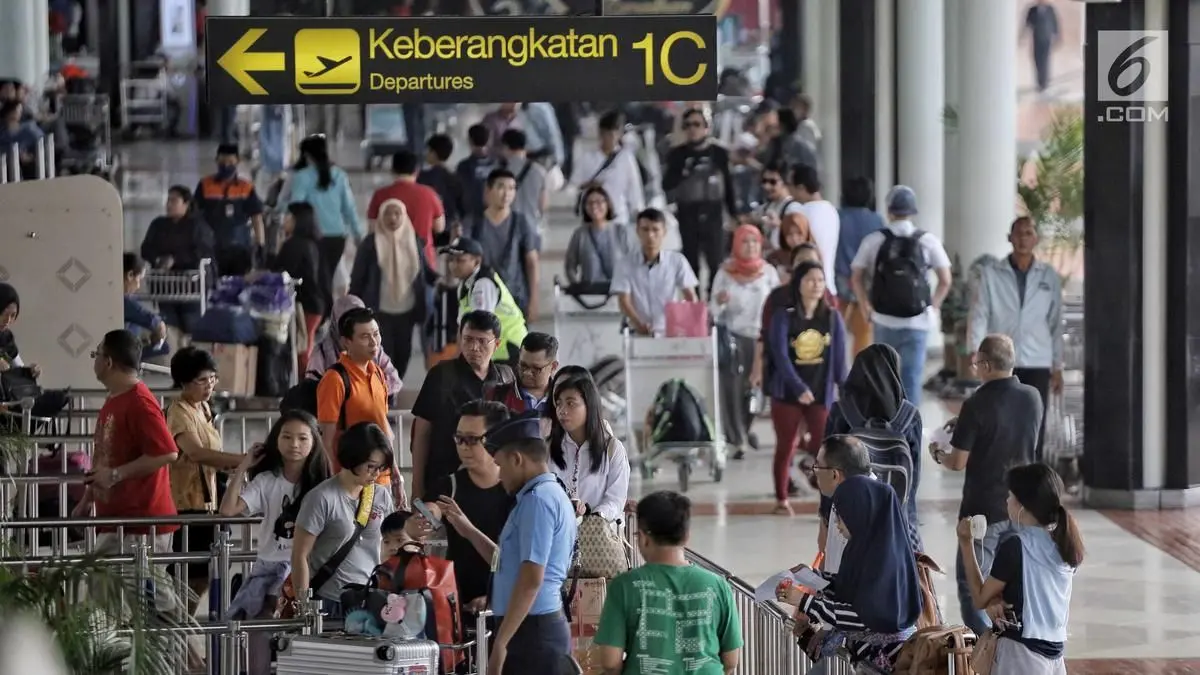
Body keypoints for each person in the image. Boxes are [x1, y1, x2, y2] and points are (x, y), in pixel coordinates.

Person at [932, 334, 1043, 636]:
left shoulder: (976, 403)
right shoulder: (1033, 397)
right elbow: (1009, 432)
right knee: (1015, 584)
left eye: (977, 362)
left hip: (982, 511)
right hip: (1022, 508)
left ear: (985, 364)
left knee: (975, 590)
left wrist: (938, 453)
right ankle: (1011, 644)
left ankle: (987, 650)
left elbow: (957, 462)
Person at [221, 410, 333, 675]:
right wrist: (243, 466)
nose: (294, 444)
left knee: (300, 634)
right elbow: (228, 509)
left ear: (314, 442)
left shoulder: (323, 485)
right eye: (287, 437)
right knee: (257, 631)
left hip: (306, 569)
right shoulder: (266, 481)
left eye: (302, 438)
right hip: (268, 567)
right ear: (277, 440)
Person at [784, 475, 923, 672]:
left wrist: (805, 601)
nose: (838, 526)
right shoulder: (864, 548)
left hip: (886, 659)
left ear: (860, 514)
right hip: (867, 655)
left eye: (842, 517)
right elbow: (849, 587)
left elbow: (860, 616)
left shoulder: (882, 560)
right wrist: (814, 578)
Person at [595, 491, 743, 674]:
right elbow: (731, 661)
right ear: (687, 535)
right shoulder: (718, 586)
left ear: (643, 537)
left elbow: (610, 661)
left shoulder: (624, 586)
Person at [958, 463, 1082, 674]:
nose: (1007, 501)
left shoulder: (1017, 546)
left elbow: (980, 598)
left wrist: (966, 543)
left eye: (1010, 496)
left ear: (1022, 505)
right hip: (1056, 655)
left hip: (1021, 654)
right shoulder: (1065, 542)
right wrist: (998, 600)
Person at [482, 414, 577, 675]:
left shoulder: (538, 501)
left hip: (532, 633)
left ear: (516, 459)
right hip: (531, 627)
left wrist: (501, 642)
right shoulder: (545, 495)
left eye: (500, 466)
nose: (499, 476)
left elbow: (532, 578)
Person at [968, 216, 1065, 462]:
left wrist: (1058, 365)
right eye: (1018, 233)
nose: (1023, 238)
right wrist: (976, 352)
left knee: (1035, 419)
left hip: (1038, 360)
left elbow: (1055, 322)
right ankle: (1001, 471)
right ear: (1009, 238)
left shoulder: (1048, 276)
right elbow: (979, 314)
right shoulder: (991, 274)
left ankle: (1032, 471)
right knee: (1001, 418)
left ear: (1036, 239)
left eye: (1028, 233)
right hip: (1001, 360)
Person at [75, 330, 179, 552]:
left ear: (108, 362)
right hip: (118, 520)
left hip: (141, 525)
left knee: (138, 587)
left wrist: (116, 475)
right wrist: (88, 498)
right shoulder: (114, 397)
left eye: (97, 354)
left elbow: (167, 452)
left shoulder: (140, 403)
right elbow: (105, 454)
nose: (95, 360)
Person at [850, 185, 953, 405]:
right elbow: (945, 280)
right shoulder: (928, 240)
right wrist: (933, 307)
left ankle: (885, 428)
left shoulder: (874, 240)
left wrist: (864, 306)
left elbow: (856, 276)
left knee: (884, 377)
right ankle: (910, 432)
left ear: (889, 210)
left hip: (883, 319)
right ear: (913, 211)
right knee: (912, 379)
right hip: (918, 321)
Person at [764, 261, 847, 515]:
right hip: (788, 393)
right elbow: (779, 355)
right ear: (798, 284)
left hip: (820, 392)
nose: (816, 285)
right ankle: (781, 498)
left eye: (820, 281)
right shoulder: (784, 316)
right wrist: (798, 386)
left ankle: (830, 500)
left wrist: (846, 392)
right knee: (786, 444)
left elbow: (840, 360)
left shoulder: (832, 318)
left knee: (826, 446)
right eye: (810, 280)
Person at [291, 422, 396, 619]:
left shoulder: (380, 496)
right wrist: (304, 607)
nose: (376, 474)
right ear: (351, 459)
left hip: (369, 597)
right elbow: (300, 556)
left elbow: (386, 545)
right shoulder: (321, 498)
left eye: (381, 468)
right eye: (371, 467)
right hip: (328, 600)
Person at [165, 347, 246, 595]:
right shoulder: (178, 413)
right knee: (188, 578)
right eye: (202, 380)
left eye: (213, 378)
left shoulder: (204, 408)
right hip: (187, 504)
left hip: (208, 502)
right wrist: (242, 460)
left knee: (204, 576)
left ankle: (182, 626)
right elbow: (197, 453)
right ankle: (176, 628)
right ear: (183, 382)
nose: (209, 385)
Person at [410, 310, 515, 500]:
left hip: (492, 485)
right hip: (444, 480)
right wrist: (417, 486)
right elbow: (421, 434)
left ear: (497, 344)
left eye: (482, 341)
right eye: (468, 339)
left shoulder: (506, 377)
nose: (474, 347)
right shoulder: (441, 375)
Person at [426, 400, 515, 617]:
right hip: (455, 606)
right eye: (459, 438)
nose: (464, 446)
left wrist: (495, 597)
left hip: (505, 606)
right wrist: (422, 518)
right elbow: (430, 510)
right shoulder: (449, 486)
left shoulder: (517, 493)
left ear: (497, 439)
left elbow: (517, 567)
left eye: (473, 440)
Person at [825, 343, 923, 534]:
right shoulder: (909, 416)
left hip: (846, 520)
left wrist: (825, 518)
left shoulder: (842, 411)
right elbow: (914, 478)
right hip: (896, 519)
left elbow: (827, 471)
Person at [314, 307, 404, 505]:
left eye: (376, 334)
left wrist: (395, 474)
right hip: (351, 483)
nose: (374, 342)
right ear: (346, 342)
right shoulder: (335, 379)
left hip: (381, 479)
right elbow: (326, 441)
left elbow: (384, 430)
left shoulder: (378, 373)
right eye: (365, 336)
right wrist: (333, 487)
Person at [711, 225, 780, 456]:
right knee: (732, 390)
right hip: (734, 338)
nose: (750, 246)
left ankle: (746, 428)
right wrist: (720, 302)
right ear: (736, 244)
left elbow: (778, 306)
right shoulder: (724, 273)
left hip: (762, 339)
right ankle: (737, 438)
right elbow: (712, 312)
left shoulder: (769, 273)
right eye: (745, 241)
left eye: (754, 242)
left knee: (755, 390)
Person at [350, 197, 435, 379]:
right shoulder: (370, 244)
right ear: (381, 216)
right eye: (388, 213)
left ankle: (395, 383)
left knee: (404, 352)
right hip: (379, 309)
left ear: (404, 216)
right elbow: (358, 277)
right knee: (382, 352)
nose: (393, 218)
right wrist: (353, 304)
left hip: (407, 309)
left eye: (397, 213)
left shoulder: (415, 242)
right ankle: (385, 389)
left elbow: (426, 272)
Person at [661, 108, 739, 295]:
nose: (692, 129)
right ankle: (693, 306)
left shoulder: (719, 153)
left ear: (706, 128)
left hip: (713, 211)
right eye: (688, 125)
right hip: (688, 212)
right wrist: (684, 171)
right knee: (690, 262)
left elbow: (728, 184)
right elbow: (667, 184)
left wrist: (734, 214)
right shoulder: (677, 154)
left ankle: (714, 303)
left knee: (715, 261)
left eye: (697, 125)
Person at [546, 367, 630, 522]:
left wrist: (595, 515)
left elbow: (616, 499)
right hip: (559, 536)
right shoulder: (548, 448)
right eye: (559, 403)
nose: (562, 411)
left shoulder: (612, 449)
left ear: (589, 405)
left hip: (597, 539)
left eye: (571, 403)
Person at [279, 134, 363, 283]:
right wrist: (358, 234)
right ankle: (327, 305)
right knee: (326, 281)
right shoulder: (340, 175)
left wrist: (280, 207)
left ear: (306, 155)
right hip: (337, 236)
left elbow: (296, 205)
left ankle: (322, 306)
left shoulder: (302, 176)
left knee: (314, 282)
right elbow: (349, 208)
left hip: (313, 236)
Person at [139, 185, 216, 337]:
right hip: (165, 287)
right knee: (169, 328)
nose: (168, 204)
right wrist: (158, 259)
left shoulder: (198, 226)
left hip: (191, 287)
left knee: (190, 325)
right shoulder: (159, 225)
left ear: (186, 204)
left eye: (173, 201)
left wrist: (175, 259)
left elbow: (203, 252)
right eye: (168, 200)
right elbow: (146, 248)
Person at [466, 168, 542, 319]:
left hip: (515, 296)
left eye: (511, 188)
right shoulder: (475, 223)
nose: (507, 193)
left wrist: (534, 299)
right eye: (501, 187)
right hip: (482, 297)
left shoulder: (521, 222)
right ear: (488, 190)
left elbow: (532, 262)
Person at [611, 208, 700, 336]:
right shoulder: (625, 264)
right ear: (637, 231)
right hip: (637, 332)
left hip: (671, 332)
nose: (650, 236)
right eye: (645, 230)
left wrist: (690, 325)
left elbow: (691, 296)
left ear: (664, 232)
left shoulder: (677, 261)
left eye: (655, 230)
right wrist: (639, 324)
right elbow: (624, 301)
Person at [268, 202, 331, 374]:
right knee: (304, 344)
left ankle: (307, 384)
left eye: (288, 218)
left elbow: (279, 272)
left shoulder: (294, 245)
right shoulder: (315, 243)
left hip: (305, 305)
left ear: (298, 221)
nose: (284, 221)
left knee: (302, 348)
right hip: (316, 304)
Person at [445, 237, 528, 364]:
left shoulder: (483, 284)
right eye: (451, 260)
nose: (454, 265)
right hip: (494, 350)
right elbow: (462, 325)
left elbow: (481, 327)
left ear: (476, 261)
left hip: (509, 348)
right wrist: (458, 357)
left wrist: (463, 360)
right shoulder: (465, 285)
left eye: (460, 260)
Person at [306, 295, 404, 397]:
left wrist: (370, 392)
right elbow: (311, 390)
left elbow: (393, 380)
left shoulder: (374, 349)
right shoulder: (321, 353)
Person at [192, 144, 266, 276]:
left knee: (239, 285)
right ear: (216, 161)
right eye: (222, 162)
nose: (226, 166)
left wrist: (260, 244)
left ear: (238, 161)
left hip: (240, 247)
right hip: (212, 247)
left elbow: (256, 217)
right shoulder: (205, 185)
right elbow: (194, 215)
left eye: (230, 162)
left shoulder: (246, 188)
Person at [367, 149, 445, 265]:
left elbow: (373, 229)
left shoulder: (380, 195)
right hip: (423, 259)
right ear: (416, 171)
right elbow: (439, 227)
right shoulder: (429, 194)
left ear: (392, 170)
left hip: (391, 259)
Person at [836, 177, 885, 356]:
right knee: (863, 331)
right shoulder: (877, 220)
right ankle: (859, 371)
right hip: (866, 280)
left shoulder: (838, 217)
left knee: (835, 329)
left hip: (840, 277)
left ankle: (836, 368)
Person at [571, 109, 644, 226]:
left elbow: (634, 187)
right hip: (593, 218)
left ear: (619, 134)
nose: (610, 138)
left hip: (618, 217)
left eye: (614, 134)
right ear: (600, 133)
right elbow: (574, 184)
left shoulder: (626, 158)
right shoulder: (587, 158)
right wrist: (589, 185)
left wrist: (638, 212)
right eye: (607, 134)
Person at [563, 185, 634, 286]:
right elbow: (570, 265)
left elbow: (634, 262)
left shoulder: (621, 231)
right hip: (589, 295)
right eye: (589, 203)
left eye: (599, 202)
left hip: (617, 294)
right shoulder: (580, 234)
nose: (594, 206)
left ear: (607, 204)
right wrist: (576, 286)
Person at [486, 332, 558, 415]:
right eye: (523, 365)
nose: (527, 373)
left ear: (553, 367)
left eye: (536, 369)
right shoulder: (496, 397)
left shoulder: (563, 399)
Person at [499, 128, 550, 228]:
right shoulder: (540, 171)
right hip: (532, 225)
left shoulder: (500, 172)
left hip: (508, 226)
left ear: (506, 147)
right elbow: (543, 204)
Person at [418, 133, 463, 246]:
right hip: (448, 230)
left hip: (427, 229)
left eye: (428, 151)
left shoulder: (422, 177)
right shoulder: (455, 178)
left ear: (433, 153)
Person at [121, 253, 169, 359]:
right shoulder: (122, 300)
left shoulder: (129, 298)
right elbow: (145, 316)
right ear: (130, 275)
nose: (138, 286)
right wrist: (159, 324)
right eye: (139, 279)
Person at [456, 123, 501, 222]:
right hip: (494, 216)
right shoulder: (499, 164)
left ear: (470, 141)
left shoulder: (463, 167)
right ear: (489, 141)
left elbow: (458, 193)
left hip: (470, 217)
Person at [1023, 0, 1061, 94]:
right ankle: (1040, 81)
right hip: (1036, 39)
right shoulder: (1032, 10)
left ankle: (1044, 83)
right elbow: (1027, 24)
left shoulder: (1050, 10)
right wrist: (1022, 36)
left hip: (1047, 39)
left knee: (1045, 60)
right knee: (1037, 60)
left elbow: (1055, 23)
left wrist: (1057, 37)